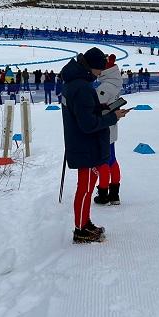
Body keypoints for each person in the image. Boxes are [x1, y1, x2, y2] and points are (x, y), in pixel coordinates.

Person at [61, 47, 129, 244]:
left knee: (87, 188)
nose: (100, 74)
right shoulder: (81, 87)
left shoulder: (76, 83)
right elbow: (88, 124)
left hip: (83, 144)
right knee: (85, 189)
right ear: (91, 68)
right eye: (99, 71)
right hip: (85, 145)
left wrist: (106, 108)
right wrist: (112, 117)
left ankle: (85, 222)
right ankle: (80, 230)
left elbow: (86, 110)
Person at [94, 54, 124, 206]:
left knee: (104, 160)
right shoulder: (114, 83)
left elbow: (96, 105)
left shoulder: (106, 86)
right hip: (111, 126)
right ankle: (114, 194)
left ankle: (104, 192)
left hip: (104, 127)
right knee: (112, 158)